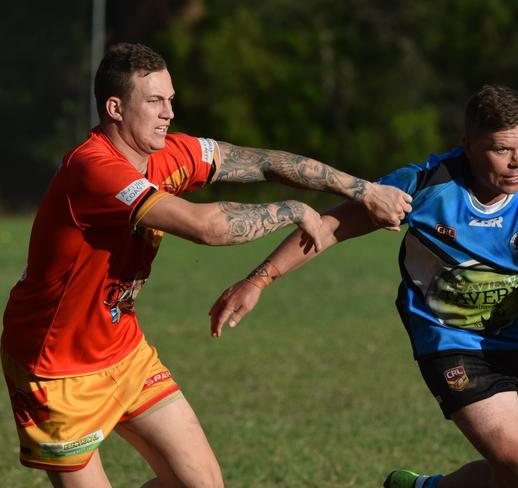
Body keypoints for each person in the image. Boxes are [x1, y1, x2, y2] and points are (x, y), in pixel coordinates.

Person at [0, 42, 412, 488]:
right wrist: (292, 210)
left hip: (124, 349)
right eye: (155, 101)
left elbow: (266, 162)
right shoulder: (94, 170)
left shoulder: (171, 153)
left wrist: (363, 190)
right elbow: (204, 227)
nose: (169, 113)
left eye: (171, 100)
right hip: (55, 366)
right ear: (115, 108)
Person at [210, 85, 518, 488]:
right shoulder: (428, 186)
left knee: (512, 479)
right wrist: (259, 279)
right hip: (450, 341)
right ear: (468, 145)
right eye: (502, 148)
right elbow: (330, 226)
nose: (517, 162)